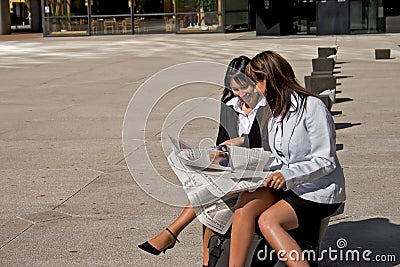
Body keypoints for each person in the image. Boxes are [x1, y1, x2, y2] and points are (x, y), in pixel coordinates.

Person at [138, 56, 269, 266]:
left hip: (260, 171)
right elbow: (221, 140)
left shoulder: (267, 105)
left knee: (209, 194)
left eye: (246, 87)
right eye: (236, 89)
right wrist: (212, 154)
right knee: (207, 191)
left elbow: (266, 141)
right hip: (235, 169)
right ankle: (205, 260)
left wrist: (239, 141)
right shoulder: (229, 104)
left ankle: (174, 233)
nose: (242, 94)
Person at [228, 51, 346, 267]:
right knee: (245, 204)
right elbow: (278, 156)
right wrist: (252, 170)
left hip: (319, 190)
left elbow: (326, 160)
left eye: (256, 82)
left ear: (270, 78)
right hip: (290, 185)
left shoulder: (312, 107)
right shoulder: (274, 112)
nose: (254, 89)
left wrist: (286, 175)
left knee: (268, 220)